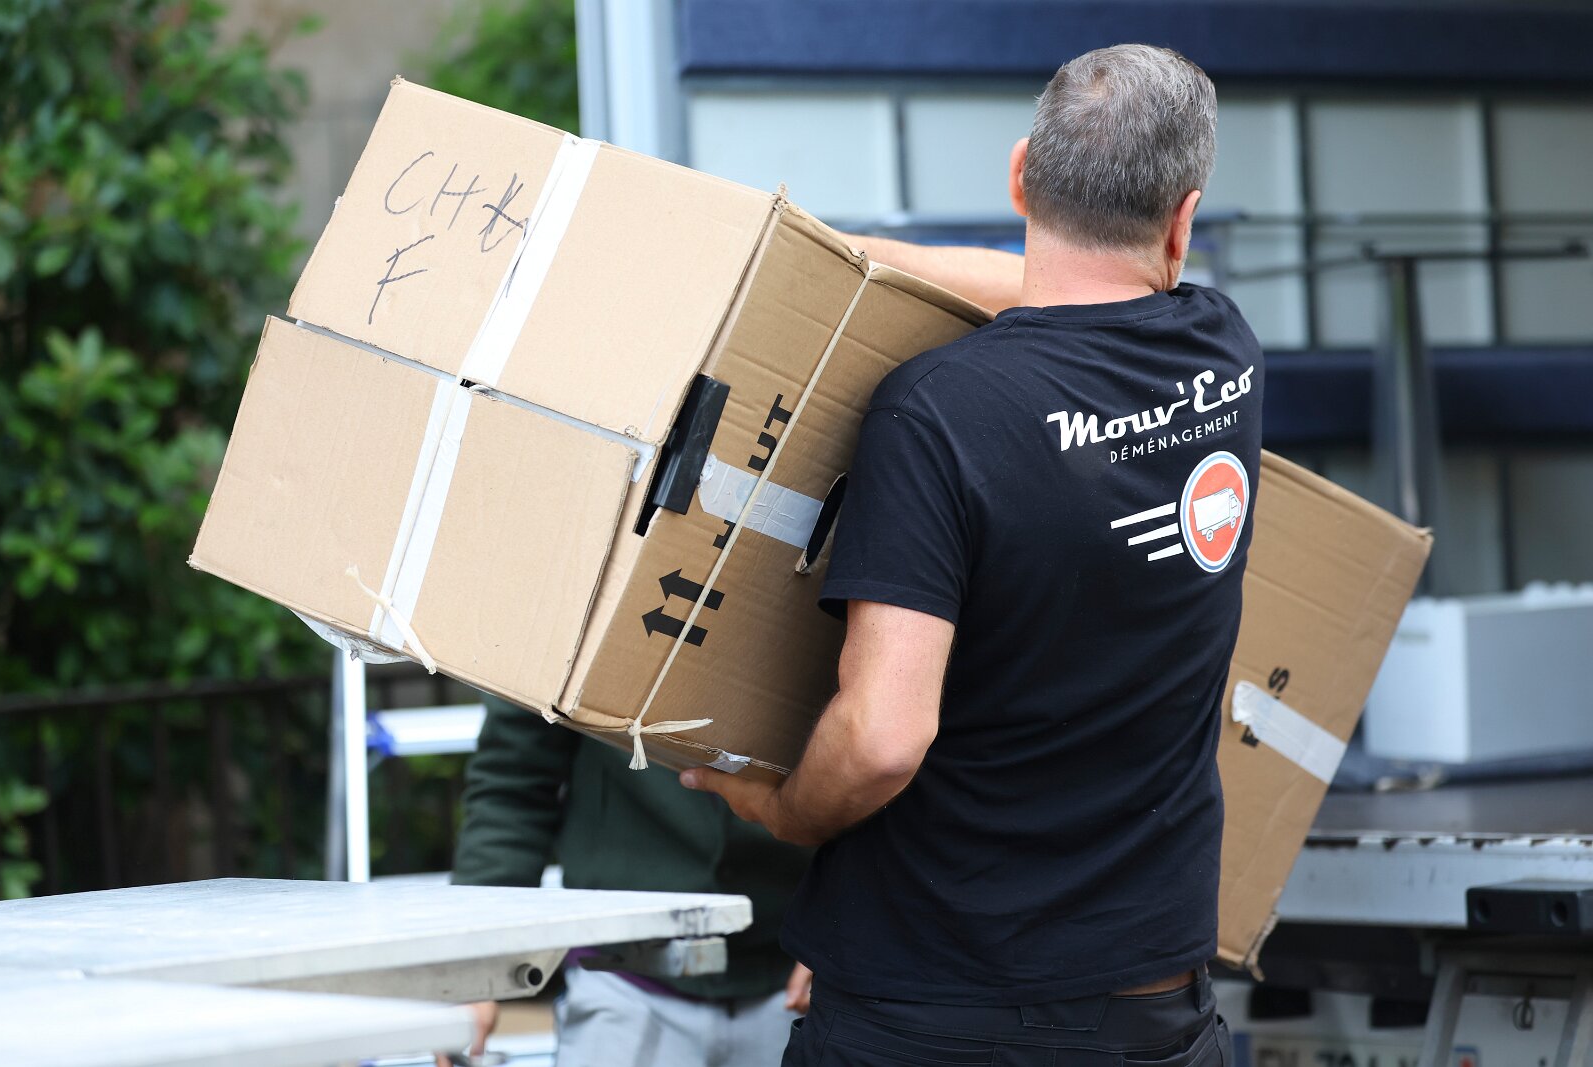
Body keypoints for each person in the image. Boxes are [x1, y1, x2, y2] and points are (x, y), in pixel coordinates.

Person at [681, 44, 1259, 1067]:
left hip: (938, 1014)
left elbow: (881, 737)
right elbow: (1044, 294)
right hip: (1154, 1014)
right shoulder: (1221, 352)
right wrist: (849, 253)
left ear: (1020, 176)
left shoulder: (936, 413)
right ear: (1184, 218)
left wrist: (786, 810)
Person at [451, 695, 814, 1066]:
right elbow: (514, 782)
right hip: (621, 980)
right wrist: (473, 962)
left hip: (798, 973)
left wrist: (842, 923)